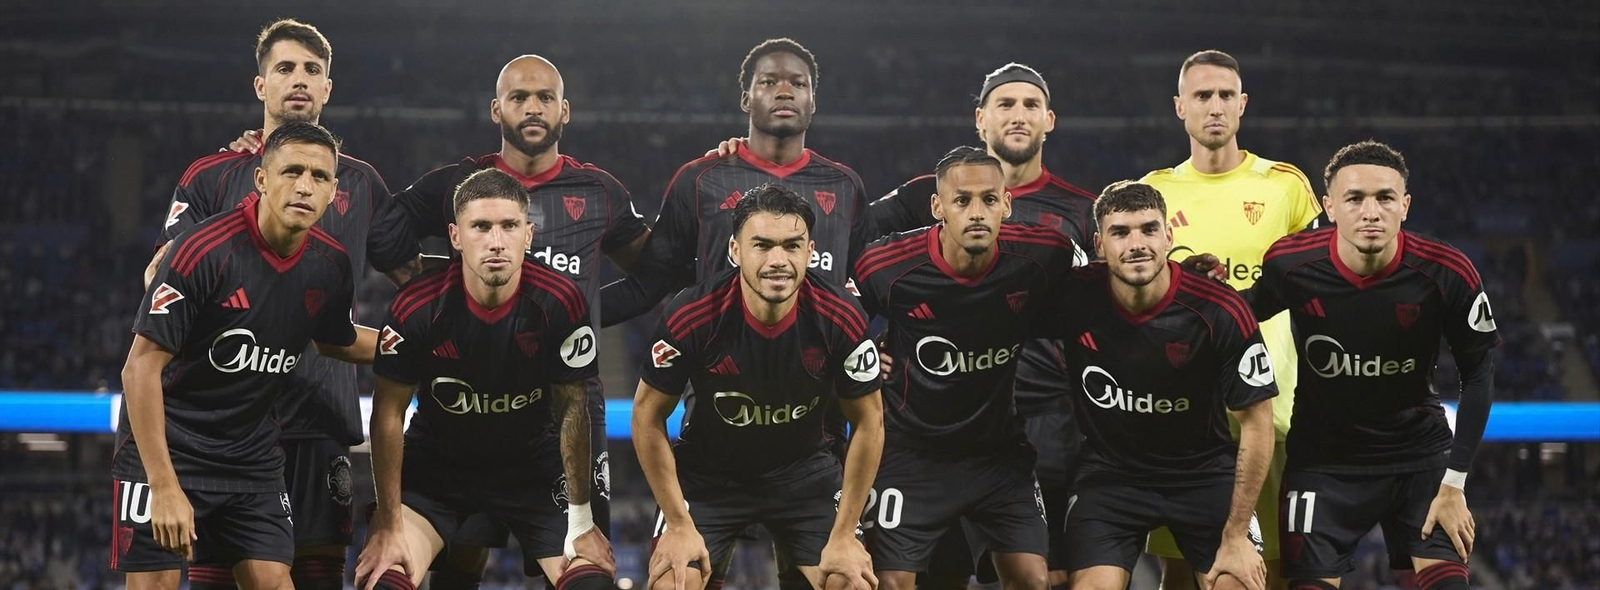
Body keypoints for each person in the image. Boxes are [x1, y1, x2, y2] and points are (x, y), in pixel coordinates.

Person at [144, 20, 416, 590]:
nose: (299, 80)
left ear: (327, 89)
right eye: (285, 68)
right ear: (260, 86)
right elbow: (161, 271)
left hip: (319, 420)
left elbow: (414, 280)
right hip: (222, 426)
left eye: (312, 71)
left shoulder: (359, 184)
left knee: (316, 576)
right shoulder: (212, 176)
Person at [115, 122, 376, 589]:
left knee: (276, 581)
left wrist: (415, 346)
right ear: (261, 180)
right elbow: (138, 369)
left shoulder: (330, 265)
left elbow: (336, 339)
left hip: (250, 457)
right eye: (292, 171)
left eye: (319, 176)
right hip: (169, 447)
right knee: (153, 585)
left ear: (334, 190)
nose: (304, 185)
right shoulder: (202, 251)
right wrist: (164, 485)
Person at [868, 62, 1094, 587]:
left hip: (1043, 417)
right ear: (980, 119)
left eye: (1030, 105)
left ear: (1049, 120)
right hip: (932, 413)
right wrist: (865, 339)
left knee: (1049, 574)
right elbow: (846, 244)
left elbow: (1108, 294)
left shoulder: (1080, 213)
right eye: (1005, 105)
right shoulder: (922, 194)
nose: (1018, 116)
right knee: (940, 574)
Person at [1244, 141, 1496, 590]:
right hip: (1323, 463)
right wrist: (1190, 285)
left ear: (1405, 206)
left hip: (1419, 460)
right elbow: (1239, 315)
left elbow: (1478, 373)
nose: (1371, 211)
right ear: (1329, 207)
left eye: (1384, 198)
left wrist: (1454, 483)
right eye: (1354, 199)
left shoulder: (1447, 273)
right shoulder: (1291, 265)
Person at [354, 168, 617, 590]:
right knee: (384, 579)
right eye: (480, 226)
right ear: (455, 237)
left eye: (509, 226)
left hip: (531, 470)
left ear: (528, 235)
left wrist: (582, 520)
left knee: (593, 585)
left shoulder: (560, 300)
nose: (496, 241)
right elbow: (387, 414)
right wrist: (387, 522)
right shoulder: (416, 307)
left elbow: (573, 408)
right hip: (438, 470)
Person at [632, 183, 883, 590]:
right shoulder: (690, 316)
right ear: (735, 251)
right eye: (762, 245)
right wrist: (677, 522)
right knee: (670, 584)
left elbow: (870, 421)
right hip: (709, 477)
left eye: (791, 245)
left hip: (806, 476)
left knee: (852, 582)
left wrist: (844, 533)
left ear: (810, 251)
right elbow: (646, 415)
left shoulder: (843, 316)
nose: (778, 260)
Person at [1139, 49, 1323, 589]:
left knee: (1286, 570)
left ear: (1242, 105)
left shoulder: (1285, 186)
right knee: (1182, 568)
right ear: (1180, 108)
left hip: (1275, 411)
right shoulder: (1154, 194)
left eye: (1225, 96)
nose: (1214, 106)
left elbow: (1321, 289)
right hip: (1185, 413)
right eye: (1202, 96)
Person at [1038, 181, 1274, 590]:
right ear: (1099, 244)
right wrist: (891, 347)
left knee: (1238, 583)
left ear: (1169, 236)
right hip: (1110, 478)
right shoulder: (1072, 297)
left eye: (1149, 229)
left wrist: (1236, 534)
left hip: (1203, 476)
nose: (1137, 244)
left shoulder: (1220, 309)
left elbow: (1257, 423)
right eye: (1120, 232)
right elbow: (990, 319)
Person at [600, 37, 870, 328]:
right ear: (745, 99)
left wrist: (878, 343)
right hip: (719, 367)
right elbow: (648, 285)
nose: (784, 92)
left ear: (812, 102)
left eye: (799, 84)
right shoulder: (700, 179)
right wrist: (558, 319)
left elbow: (868, 289)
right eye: (768, 82)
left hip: (821, 369)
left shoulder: (845, 186)